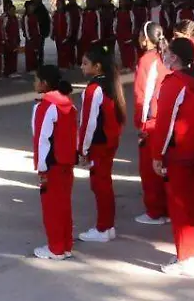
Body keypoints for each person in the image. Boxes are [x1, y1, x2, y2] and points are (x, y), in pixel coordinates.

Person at [150, 37, 194, 276]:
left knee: (180, 207)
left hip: (178, 153)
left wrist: (157, 154)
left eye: (167, 52)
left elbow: (165, 123)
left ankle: (186, 257)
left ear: (174, 57)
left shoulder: (174, 84)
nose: (164, 55)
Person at [77, 45, 124, 243]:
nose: (81, 67)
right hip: (109, 140)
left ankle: (104, 227)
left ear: (97, 66)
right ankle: (107, 226)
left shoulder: (94, 89)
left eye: (85, 63)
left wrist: (82, 149)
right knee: (104, 183)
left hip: (99, 143)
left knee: (100, 185)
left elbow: (88, 122)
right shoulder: (110, 84)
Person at [31, 65, 77, 260]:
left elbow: (42, 139)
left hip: (52, 164)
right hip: (66, 162)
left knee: (51, 208)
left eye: (36, 80)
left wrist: (41, 168)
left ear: (44, 83)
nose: (34, 83)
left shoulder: (46, 106)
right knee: (64, 205)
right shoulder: (68, 103)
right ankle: (65, 245)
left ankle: (55, 248)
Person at [133, 22, 169, 225]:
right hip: (166, 117)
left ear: (146, 39)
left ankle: (154, 212)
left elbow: (143, 94)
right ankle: (166, 208)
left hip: (152, 120)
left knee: (149, 170)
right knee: (163, 167)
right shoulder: (166, 55)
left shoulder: (147, 60)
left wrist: (141, 123)